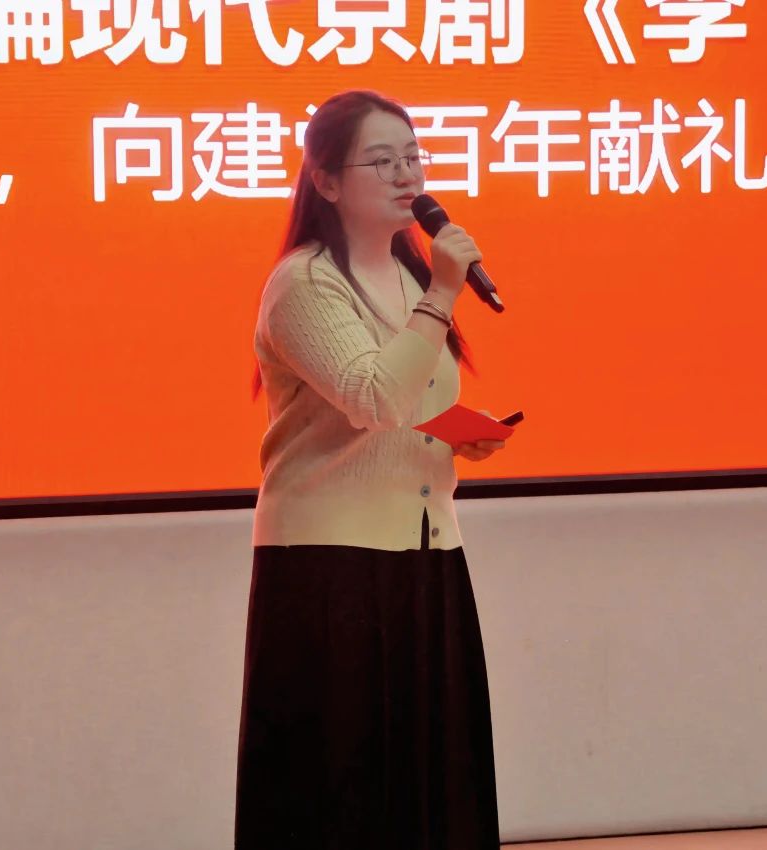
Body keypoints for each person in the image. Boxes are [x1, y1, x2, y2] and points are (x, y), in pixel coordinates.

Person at [235, 89, 506, 850]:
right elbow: (373, 397)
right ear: (325, 181)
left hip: (427, 550)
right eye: (381, 161)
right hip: (328, 563)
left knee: (431, 776)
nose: (406, 175)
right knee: (338, 787)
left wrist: (462, 433)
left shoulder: (413, 278)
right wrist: (446, 293)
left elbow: (414, 403)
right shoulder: (304, 283)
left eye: (413, 157)